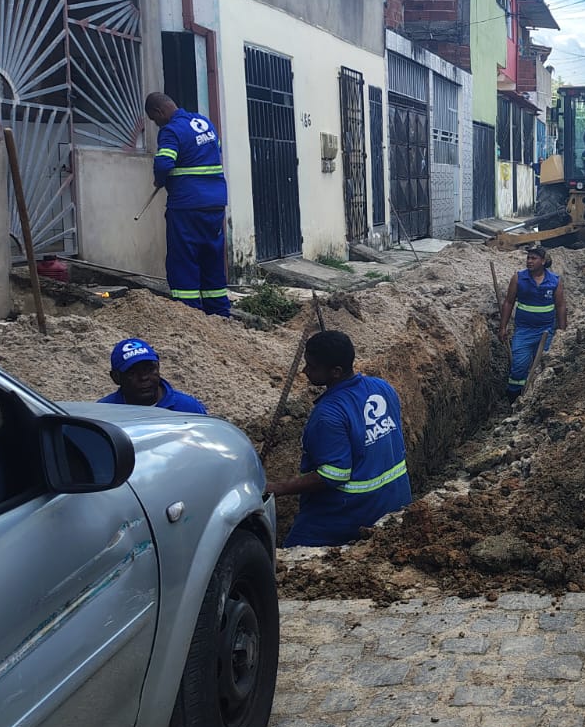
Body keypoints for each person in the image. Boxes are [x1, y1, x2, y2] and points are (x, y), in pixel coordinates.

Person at [265, 330, 411, 547]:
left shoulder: (329, 414)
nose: (304, 370)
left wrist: (278, 488)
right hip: (397, 499)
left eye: (312, 367)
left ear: (336, 371)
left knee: (292, 558)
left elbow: (334, 475)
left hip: (351, 511)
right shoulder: (382, 387)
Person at [147, 91, 231, 318]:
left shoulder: (171, 130)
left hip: (187, 205)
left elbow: (164, 162)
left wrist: (159, 179)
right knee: (211, 255)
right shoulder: (204, 123)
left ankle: (189, 315)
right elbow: (215, 150)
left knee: (183, 258)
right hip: (215, 203)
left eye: (155, 120)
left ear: (159, 112)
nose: (157, 124)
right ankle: (220, 314)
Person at [498, 245, 566, 400]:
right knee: (518, 368)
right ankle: (514, 398)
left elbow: (561, 305)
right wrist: (502, 327)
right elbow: (508, 302)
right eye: (528, 258)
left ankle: (538, 399)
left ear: (543, 261)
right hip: (523, 331)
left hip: (546, 332)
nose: (529, 261)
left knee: (543, 367)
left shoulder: (554, 281)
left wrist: (562, 332)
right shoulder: (519, 278)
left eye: (533, 258)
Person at [100, 338, 208, 413]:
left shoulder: (188, 408)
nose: (143, 377)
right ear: (116, 377)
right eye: (132, 373)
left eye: (149, 369)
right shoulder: (104, 414)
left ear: (158, 368)